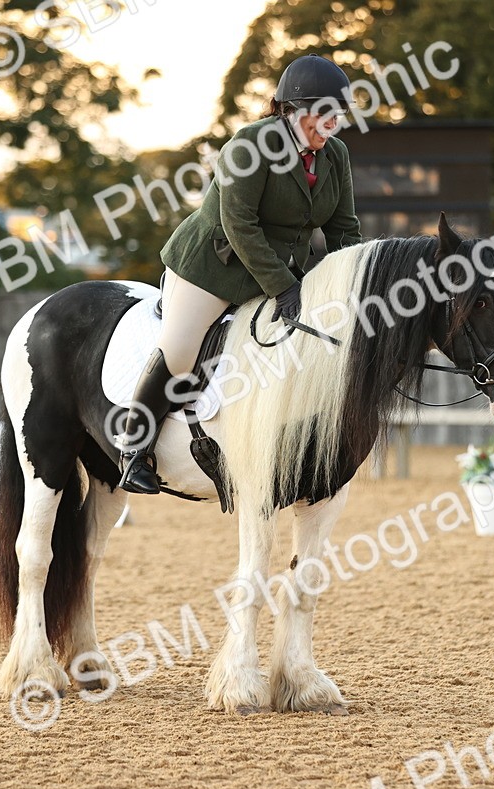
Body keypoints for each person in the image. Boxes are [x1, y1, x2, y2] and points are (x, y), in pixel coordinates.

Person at [117, 53, 363, 494]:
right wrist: (285, 287)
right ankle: (134, 448)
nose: (331, 127)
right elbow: (240, 226)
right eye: (323, 116)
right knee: (180, 347)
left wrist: (360, 282)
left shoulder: (335, 157)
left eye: (337, 117)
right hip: (213, 266)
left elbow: (343, 229)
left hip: (278, 271)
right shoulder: (250, 146)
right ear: (292, 109)